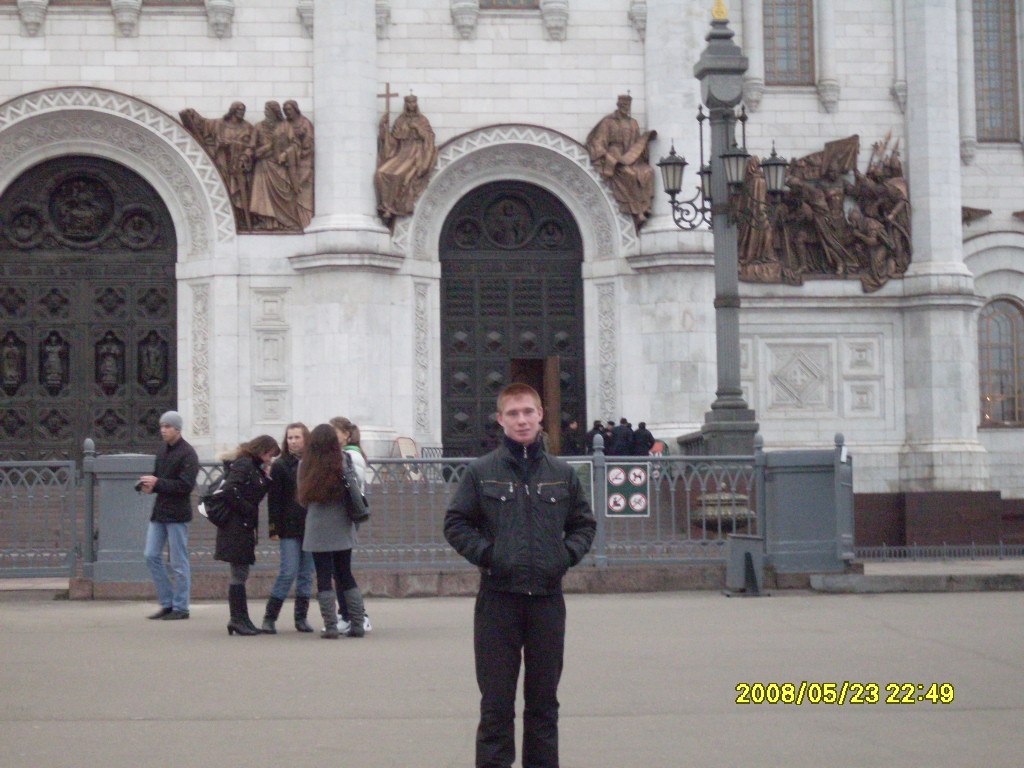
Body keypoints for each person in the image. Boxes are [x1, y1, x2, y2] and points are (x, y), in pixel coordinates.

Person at [444, 383, 596, 768]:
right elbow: (456, 523)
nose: (522, 420)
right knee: (496, 705)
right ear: (500, 419)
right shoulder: (481, 472)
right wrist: (490, 555)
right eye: (513, 413)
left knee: (544, 704)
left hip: (547, 601)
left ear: (541, 415)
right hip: (498, 600)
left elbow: (584, 524)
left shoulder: (562, 473)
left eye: (528, 412)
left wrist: (564, 556)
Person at [299, 424, 368, 639]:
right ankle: (357, 623)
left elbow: (302, 498)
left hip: (317, 525)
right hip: (342, 523)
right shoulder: (343, 460)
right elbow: (355, 486)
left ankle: (330, 626)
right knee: (345, 573)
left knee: (323, 576)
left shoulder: (305, 464)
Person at [216, 434, 281, 636]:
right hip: (235, 526)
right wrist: (246, 509)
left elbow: (254, 492)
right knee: (239, 573)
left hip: (242, 526)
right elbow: (229, 489)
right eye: (270, 455)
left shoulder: (253, 466)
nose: (270, 459)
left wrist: (266, 478)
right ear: (262, 450)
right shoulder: (244, 463)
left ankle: (242, 619)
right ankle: (237, 619)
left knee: (241, 573)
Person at [141, 410, 199, 621]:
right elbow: (160, 478)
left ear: (177, 429)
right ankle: (167, 602)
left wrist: (158, 483)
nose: (163, 430)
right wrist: (150, 486)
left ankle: (181, 607)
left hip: (178, 514)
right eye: (161, 426)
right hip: (160, 512)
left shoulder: (188, 454)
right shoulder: (162, 450)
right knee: (151, 555)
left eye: (167, 426)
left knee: (178, 561)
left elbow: (185, 486)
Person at [261, 422, 316, 634]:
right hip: (289, 526)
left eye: (296, 437)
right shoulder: (281, 465)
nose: (292, 441)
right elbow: (274, 500)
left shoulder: (313, 462)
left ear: (305, 439)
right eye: (290, 437)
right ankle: (270, 617)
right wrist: (273, 528)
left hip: (310, 526)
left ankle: (301, 618)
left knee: (306, 574)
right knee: (288, 571)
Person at [179, 102, 255, 229]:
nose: (242, 113)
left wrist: (242, 153)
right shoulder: (219, 124)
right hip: (222, 161)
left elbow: (252, 146)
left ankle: (241, 219)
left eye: (243, 110)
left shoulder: (248, 127)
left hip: (238, 165)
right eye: (239, 110)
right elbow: (203, 124)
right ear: (233, 111)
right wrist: (192, 114)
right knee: (225, 186)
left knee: (239, 192)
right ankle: (227, 214)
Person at [585, 94, 658, 227]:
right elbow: (598, 142)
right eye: (624, 105)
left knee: (648, 172)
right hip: (615, 157)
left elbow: (637, 145)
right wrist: (608, 157)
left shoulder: (633, 123)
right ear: (619, 105)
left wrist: (645, 141)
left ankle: (645, 207)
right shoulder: (608, 122)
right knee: (629, 174)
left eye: (628, 105)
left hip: (632, 158)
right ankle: (637, 212)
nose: (626, 108)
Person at [329, 416, 372, 634]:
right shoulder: (347, 454)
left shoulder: (351, 456)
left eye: (334, 432)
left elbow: (352, 487)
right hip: (343, 516)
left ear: (346, 435)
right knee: (339, 569)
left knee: (341, 569)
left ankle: (357, 615)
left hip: (345, 517)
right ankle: (347, 614)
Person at [375, 94, 438, 224]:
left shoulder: (422, 120)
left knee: (398, 175)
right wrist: (384, 128)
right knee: (381, 173)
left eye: (413, 102)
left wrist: (417, 128)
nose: (411, 105)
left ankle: (391, 207)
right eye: (408, 103)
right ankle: (386, 205)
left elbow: (429, 138)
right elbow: (393, 142)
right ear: (406, 104)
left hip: (415, 153)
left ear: (416, 104)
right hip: (401, 152)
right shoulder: (400, 120)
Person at [249, 100, 303, 231]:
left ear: (275, 112)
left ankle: (285, 222)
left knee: (285, 193)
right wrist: (247, 155)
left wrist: (286, 153)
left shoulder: (285, 126)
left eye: (268, 111)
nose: (266, 113)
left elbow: (295, 144)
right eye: (265, 111)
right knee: (262, 196)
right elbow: (251, 147)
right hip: (263, 166)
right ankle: (265, 222)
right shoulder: (258, 127)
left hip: (280, 166)